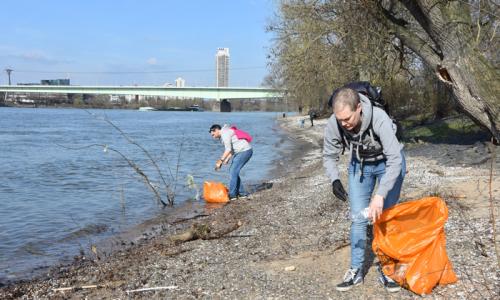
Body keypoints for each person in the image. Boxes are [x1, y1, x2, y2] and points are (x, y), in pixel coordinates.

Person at [323, 87, 405, 293]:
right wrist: (334, 179)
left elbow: (395, 160)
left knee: (384, 215)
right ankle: (356, 271)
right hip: (360, 165)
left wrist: (380, 195)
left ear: (359, 108)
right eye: (339, 119)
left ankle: (388, 269)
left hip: (388, 163)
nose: (344, 124)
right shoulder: (336, 122)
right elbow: (329, 154)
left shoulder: (379, 118)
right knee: (358, 217)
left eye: (348, 118)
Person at [209, 124, 253, 200]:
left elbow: (228, 149)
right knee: (234, 172)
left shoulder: (224, 134)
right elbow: (232, 148)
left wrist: (220, 161)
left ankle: (232, 195)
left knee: (233, 172)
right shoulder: (225, 133)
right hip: (243, 151)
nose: (213, 136)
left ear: (216, 130)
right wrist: (227, 159)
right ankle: (242, 193)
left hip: (244, 151)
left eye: (213, 134)